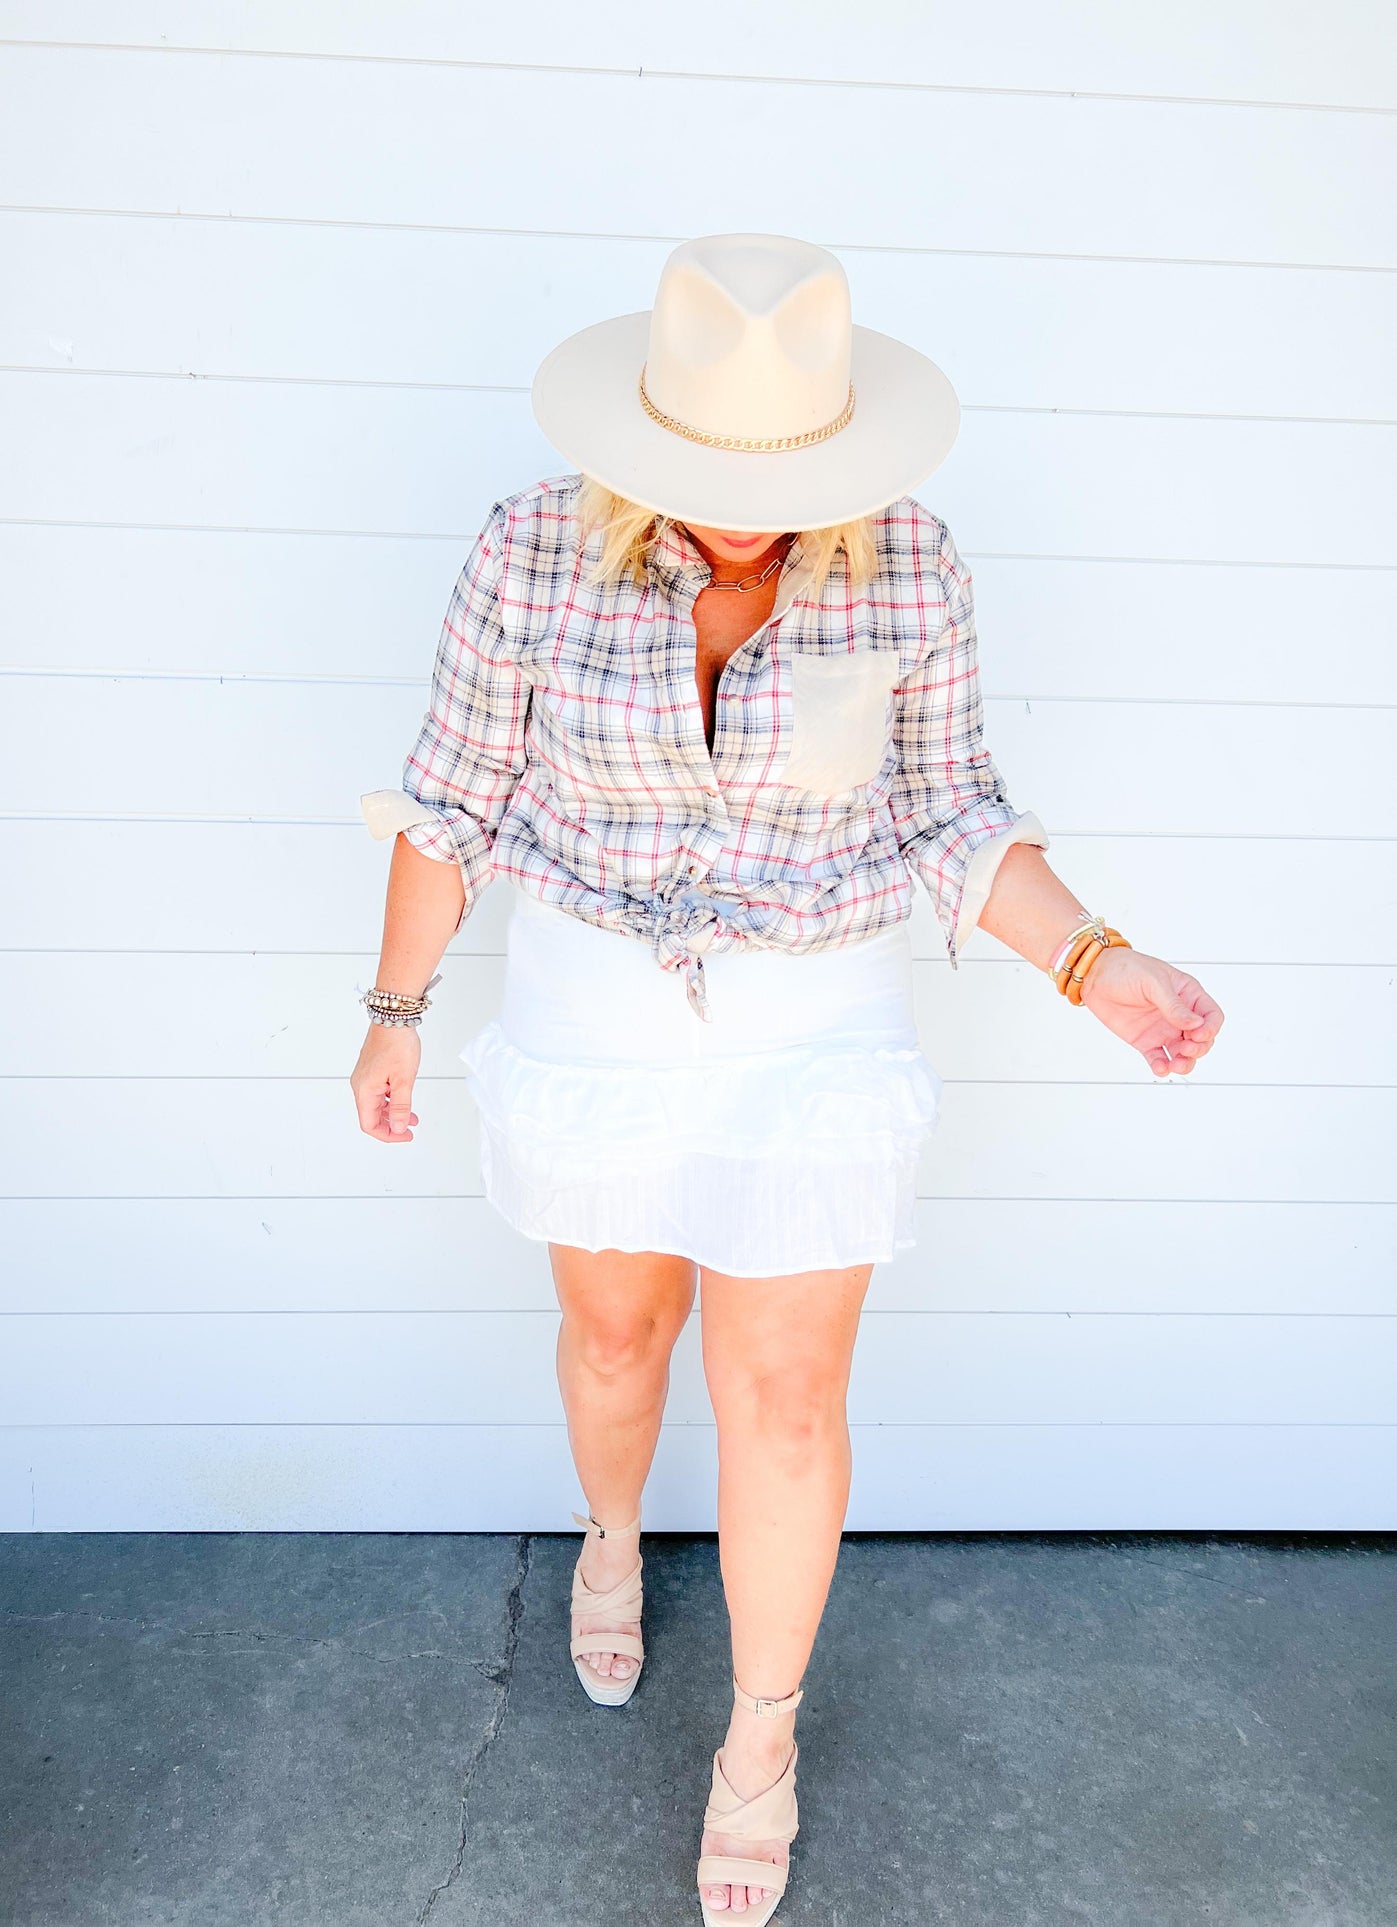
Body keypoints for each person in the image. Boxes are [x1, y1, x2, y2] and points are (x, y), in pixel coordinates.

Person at [351, 232, 1224, 1923]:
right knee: (618, 1337)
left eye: (787, 476)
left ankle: (757, 1740)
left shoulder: (906, 563)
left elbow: (952, 809)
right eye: (705, 475)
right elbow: (449, 796)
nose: (747, 511)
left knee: (785, 1396)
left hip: (814, 1015)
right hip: (594, 1002)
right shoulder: (530, 549)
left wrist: (1095, 962)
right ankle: (611, 1539)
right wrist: (393, 1007)